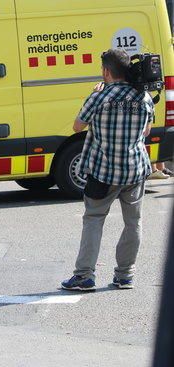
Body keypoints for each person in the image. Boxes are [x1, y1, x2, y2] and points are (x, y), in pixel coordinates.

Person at [61, 49, 155, 291]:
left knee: (93, 219)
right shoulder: (143, 97)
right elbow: (146, 132)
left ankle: (84, 276)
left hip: (103, 171)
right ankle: (125, 275)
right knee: (133, 222)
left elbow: (77, 126)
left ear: (106, 71)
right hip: (135, 170)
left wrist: (94, 95)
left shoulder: (100, 97)